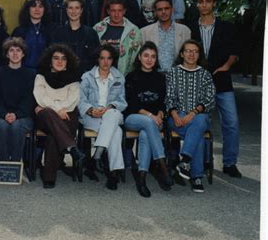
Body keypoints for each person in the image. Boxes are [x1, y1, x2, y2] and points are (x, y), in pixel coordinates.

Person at [190, 0, 241, 178]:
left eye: (208, 1)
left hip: (222, 80)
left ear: (214, 3)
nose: (204, 5)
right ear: (197, 4)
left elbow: (235, 52)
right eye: (200, 1)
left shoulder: (226, 26)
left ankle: (229, 163)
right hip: (198, 82)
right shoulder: (190, 28)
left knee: (231, 122)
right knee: (201, 121)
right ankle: (203, 160)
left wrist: (227, 65)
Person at [166, 39, 216, 193]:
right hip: (177, 118)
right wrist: (174, 115)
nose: (191, 54)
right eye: (188, 50)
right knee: (198, 134)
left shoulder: (205, 75)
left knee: (199, 121)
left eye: (195, 51)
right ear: (182, 54)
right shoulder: (173, 72)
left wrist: (193, 113)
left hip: (198, 116)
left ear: (199, 54)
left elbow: (210, 98)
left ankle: (186, 160)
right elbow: (168, 97)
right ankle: (196, 176)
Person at [124, 42, 173, 198]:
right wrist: (151, 116)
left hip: (154, 121)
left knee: (146, 134)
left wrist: (159, 114)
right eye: (146, 55)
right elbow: (132, 104)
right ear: (139, 57)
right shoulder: (131, 77)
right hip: (133, 118)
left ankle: (142, 178)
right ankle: (163, 165)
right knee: (148, 123)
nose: (149, 59)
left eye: (153, 56)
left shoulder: (160, 78)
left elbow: (163, 102)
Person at [33, 44, 85, 188]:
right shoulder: (41, 77)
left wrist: (54, 106)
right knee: (48, 113)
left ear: (68, 62)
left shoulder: (73, 79)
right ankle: (71, 146)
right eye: (56, 58)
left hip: (68, 115)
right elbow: (40, 98)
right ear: (50, 61)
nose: (60, 61)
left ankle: (49, 177)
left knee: (53, 135)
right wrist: (57, 108)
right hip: (47, 116)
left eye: (63, 59)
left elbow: (73, 101)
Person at [79, 44, 128, 190]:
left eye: (109, 58)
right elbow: (80, 100)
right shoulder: (87, 77)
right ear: (97, 60)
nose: (106, 62)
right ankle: (113, 173)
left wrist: (111, 107)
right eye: (102, 58)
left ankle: (98, 152)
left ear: (113, 60)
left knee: (112, 114)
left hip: (112, 113)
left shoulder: (119, 77)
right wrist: (90, 110)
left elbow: (122, 101)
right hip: (92, 116)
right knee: (116, 132)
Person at [0, 37, 35, 161]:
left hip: (23, 116)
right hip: (0, 115)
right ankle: (4, 163)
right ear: (7, 54)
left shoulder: (30, 75)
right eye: (11, 50)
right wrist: (5, 114)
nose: (15, 53)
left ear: (23, 54)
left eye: (18, 50)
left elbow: (29, 100)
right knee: (1, 126)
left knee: (17, 126)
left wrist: (16, 115)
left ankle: (15, 163)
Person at [141, 0, 191, 74]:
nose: (163, 12)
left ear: (172, 9)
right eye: (160, 9)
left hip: (178, 76)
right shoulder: (145, 32)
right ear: (155, 12)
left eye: (166, 8)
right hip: (153, 76)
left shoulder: (185, 31)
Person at [51, 0, 100, 75]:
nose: (73, 11)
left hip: (85, 78)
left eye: (77, 8)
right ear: (66, 10)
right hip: (63, 77)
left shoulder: (91, 33)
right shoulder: (57, 33)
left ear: (81, 10)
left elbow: (96, 59)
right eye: (70, 8)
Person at [93, 0, 142, 76]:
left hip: (124, 77)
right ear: (108, 11)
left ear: (124, 11)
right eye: (113, 11)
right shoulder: (97, 29)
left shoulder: (134, 31)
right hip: (100, 76)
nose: (116, 14)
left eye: (120, 10)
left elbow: (136, 59)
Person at [12, 0, 52, 69]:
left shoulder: (50, 31)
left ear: (45, 9)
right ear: (28, 9)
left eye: (40, 6)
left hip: (44, 73)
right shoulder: (19, 31)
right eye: (33, 6)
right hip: (22, 72)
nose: (37, 9)